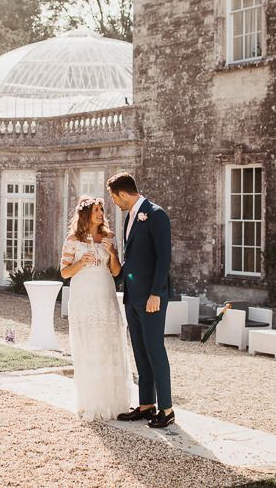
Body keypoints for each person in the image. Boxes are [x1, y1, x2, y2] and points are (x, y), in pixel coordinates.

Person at [107, 172, 175, 428]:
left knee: (155, 349)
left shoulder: (156, 214)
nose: (114, 202)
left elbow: (163, 257)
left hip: (151, 298)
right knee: (140, 350)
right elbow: (133, 259)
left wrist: (156, 293)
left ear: (123, 194)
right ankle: (147, 404)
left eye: (114, 197)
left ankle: (167, 410)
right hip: (132, 296)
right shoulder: (129, 218)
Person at [59, 196, 130, 421]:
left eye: (102, 210)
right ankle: (91, 400)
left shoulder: (109, 237)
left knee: (108, 342)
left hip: (105, 294)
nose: (101, 213)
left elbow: (117, 271)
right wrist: (81, 262)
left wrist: (112, 253)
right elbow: (64, 272)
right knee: (88, 343)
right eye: (97, 210)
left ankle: (112, 400)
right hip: (83, 297)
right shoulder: (73, 239)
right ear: (86, 214)